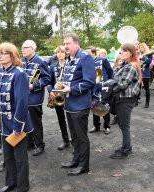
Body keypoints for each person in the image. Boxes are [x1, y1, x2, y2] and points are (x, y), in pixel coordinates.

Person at [0, 42, 33, 192]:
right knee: (8, 155)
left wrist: (17, 125)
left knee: (20, 158)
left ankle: (23, 186)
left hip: (17, 122)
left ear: (12, 55)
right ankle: (11, 182)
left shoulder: (19, 74)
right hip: (4, 121)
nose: (0, 56)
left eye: (4, 53)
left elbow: (22, 102)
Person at [60, 33, 95, 176]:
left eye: (68, 43)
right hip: (69, 104)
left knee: (81, 137)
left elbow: (89, 81)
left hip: (80, 104)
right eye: (65, 44)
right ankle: (76, 159)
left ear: (76, 44)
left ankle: (84, 165)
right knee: (74, 136)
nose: (65, 46)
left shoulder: (85, 57)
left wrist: (71, 89)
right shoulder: (70, 58)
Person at [110, 43, 141, 159]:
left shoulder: (131, 66)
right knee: (123, 125)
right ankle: (126, 146)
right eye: (121, 51)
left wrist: (110, 88)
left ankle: (126, 150)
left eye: (124, 51)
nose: (121, 53)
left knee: (124, 126)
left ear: (131, 53)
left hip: (126, 99)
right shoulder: (126, 64)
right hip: (123, 98)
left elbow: (123, 84)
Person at [21, 40, 51, 156]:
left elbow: (47, 79)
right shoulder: (21, 61)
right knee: (24, 120)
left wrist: (33, 86)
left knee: (35, 122)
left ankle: (39, 145)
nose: (22, 49)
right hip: (23, 97)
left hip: (34, 97)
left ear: (33, 49)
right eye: (22, 47)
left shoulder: (40, 62)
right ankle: (29, 143)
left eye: (25, 47)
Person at [47, 45, 70, 150]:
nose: (60, 54)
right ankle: (65, 140)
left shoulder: (70, 65)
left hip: (69, 95)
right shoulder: (53, 66)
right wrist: (50, 90)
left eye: (62, 52)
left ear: (66, 54)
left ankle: (74, 139)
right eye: (58, 52)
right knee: (61, 119)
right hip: (57, 96)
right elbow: (48, 81)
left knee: (71, 119)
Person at [87, 47, 113, 134]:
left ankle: (107, 126)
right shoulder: (87, 62)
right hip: (93, 88)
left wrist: (108, 82)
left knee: (105, 105)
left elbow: (110, 71)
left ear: (94, 53)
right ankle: (96, 126)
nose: (86, 54)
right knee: (94, 106)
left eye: (88, 52)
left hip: (103, 87)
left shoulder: (103, 60)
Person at [139, 43, 153, 108]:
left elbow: (148, 62)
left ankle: (147, 103)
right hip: (139, 72)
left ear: (144, 47)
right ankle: (136, 101)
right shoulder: (139, 53)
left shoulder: (149, 54)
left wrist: (141, 59)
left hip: (145, 72)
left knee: (146, 88)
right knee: (137, 87)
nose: (140, 48)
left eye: (141, 47)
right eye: (140, 47)